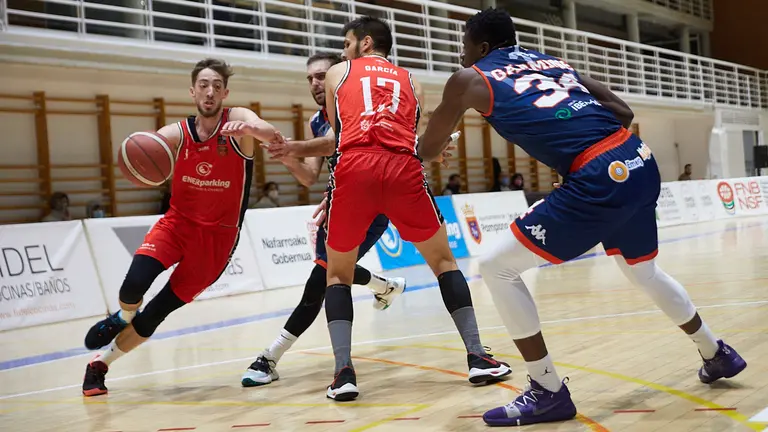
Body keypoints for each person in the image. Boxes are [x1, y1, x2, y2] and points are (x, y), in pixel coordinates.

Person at [417, 8, 747, 426]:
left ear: (480, 47)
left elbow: (427, 151)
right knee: (642, 271)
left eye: (465, 46)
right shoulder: (553, 63)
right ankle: (715, 353)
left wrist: (428, 137)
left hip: (598, 175)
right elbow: (623, 112)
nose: (463, 55)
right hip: (638, 158)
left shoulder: (469, 78)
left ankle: (547, 390)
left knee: (496, 267)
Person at [317, 16, 511, 402]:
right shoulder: (411, 80)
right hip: (403, 169)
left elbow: (338, 135)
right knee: (443, 262)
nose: (342, 50)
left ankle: (343, 375)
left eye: (347, 42)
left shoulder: (338, 72)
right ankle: (476, 357)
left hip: (355, 168)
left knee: (337, 275)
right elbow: (413, 136)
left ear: (365, 43)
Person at [81, 58, 286, 397]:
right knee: (134, 285)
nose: (210, 91)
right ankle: (121, 315)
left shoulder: (238, 119)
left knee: (157, 312)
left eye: (217, 86)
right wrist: (139, 164)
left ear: (225, 92)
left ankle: (99, 365)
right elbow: (150, 151)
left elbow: (268, 132)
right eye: (204, 85)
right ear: (192, 91)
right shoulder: (177, 132)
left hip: (218, 240)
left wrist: (252, 130)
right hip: (177, 225)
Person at [240, 52, 407, 387]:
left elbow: (334, 142)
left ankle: (270, 357)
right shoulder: (316, 120)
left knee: (320, 282)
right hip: (338, 209)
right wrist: (283, 154)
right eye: (310, 78)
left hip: (372, 207)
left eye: (321, 76)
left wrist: (293, 147)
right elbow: (308, 176)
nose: (315, 84)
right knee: (332, 272)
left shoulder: (354, 105)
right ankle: (385, 286)